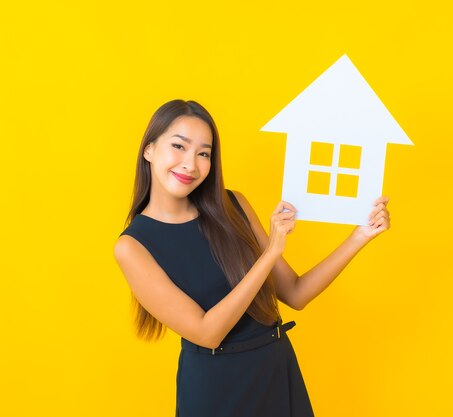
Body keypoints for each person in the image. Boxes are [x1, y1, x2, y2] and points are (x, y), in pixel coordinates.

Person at [113, 99, 391, 417]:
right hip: (217, 391)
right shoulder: (133, 246)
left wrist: (360, 235)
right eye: (179, 146)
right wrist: (270, 253)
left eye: (203, 153)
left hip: (276, 370)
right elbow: (207, 332)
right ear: (148, 149)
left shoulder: (234, 206)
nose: (190, 164)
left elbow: (296, 294)